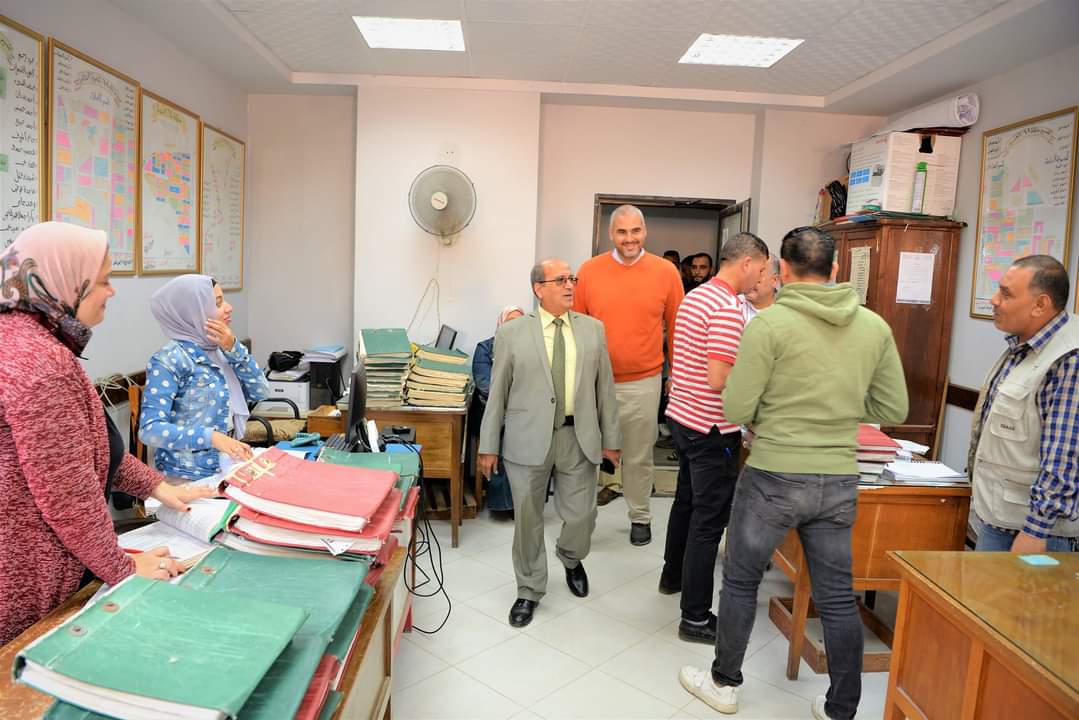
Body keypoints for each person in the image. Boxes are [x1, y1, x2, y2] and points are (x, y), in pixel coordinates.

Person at [679, 226, 908, 720]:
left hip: (773, 476)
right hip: (837, 478)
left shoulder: (769, 325)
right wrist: (840, 412)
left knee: (741, 581)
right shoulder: (873, 327)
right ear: (836, 269)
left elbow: (736, 406)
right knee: (837, 595)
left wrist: (778, 414)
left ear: (781, 269)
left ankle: (724, 684)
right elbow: (894, 406)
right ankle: (841, 708)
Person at [0, 222, 215, 645]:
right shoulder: (41, 363)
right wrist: (125, 569)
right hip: (24, 578)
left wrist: (156, 486)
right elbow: (70, 494)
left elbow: (86, 449)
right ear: (65, 283)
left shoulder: (24, 339)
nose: (112, 291)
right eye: (103, 281)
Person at [479, 258, 621, 627]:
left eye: (572, 279)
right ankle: (529, 589)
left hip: (579, 436)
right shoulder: (512, 333)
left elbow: (605, 389)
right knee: (528, 519)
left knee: (582, 515)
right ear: (538, 289)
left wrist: (612, 440)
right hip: (527, 439)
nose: (570, 285)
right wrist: (488, 445)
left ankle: (570, 556)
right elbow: (498, 391)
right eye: (560, 280)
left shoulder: (592, 330)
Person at [660, 232, 769, 645]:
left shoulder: (697, 296)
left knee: (686, 505)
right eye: (761, 268)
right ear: (746, 263)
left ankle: (672, 577)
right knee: (708, 523)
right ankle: (695, 617)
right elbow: (720, 378)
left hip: (684, 419)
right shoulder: (726, 307)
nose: (760, 278)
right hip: (711, 429)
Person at [574, 204, 683, 546]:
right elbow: (576, 328)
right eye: (622, 232)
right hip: (596, 382)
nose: (629, 238)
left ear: (645, 232)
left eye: (635, 231)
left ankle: (640, 516)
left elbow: (677, 328)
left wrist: (675, 374)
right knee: (588, 453)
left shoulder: (666, 272)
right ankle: (581, 521)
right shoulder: (589, 271)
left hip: (643, 381)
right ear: (611, 234)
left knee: (638, 455)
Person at [968, 255, 1077, 552]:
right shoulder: (1022, 347)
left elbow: (1064, 455)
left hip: (1035, 533)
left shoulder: (1069, 359)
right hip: (1000, 519)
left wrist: (1036, 530)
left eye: (1006, 294)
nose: (994, 300)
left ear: (1040, 304)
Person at [139, 274, 269, 482]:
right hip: (186, 476)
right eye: (217, 303)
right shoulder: (169, 359)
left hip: (226, 465)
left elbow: (261, 391)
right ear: (192, 312)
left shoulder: (221, 348)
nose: (229, 307)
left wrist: (234, 348)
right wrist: (211, 437)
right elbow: (150, 430)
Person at [472, 305, 525, 513]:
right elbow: (484, 384)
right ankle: (503, 503)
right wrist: (513, 400)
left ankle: (523, 501)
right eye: (510, 322)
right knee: (503, 435)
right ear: (501, 324)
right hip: (492, 409)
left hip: (521, 410)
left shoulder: (531, 350)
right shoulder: (485, 348)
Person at [739, 255, 781, 324]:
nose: (750, 279)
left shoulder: (785, 313)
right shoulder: (732, 305)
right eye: (749, 273)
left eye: (759, 273)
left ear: (774, 280)